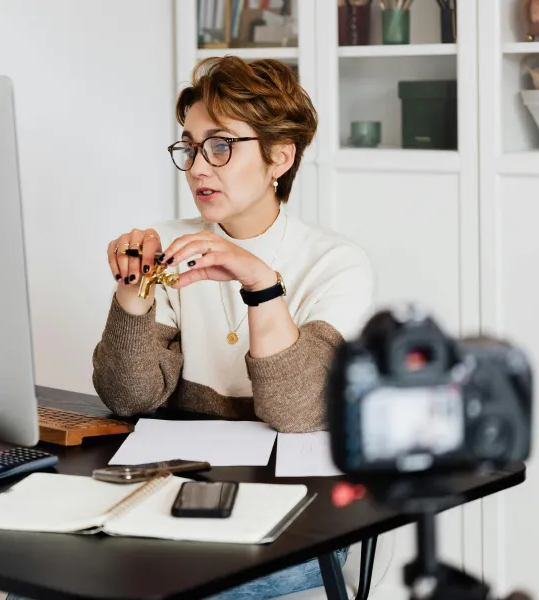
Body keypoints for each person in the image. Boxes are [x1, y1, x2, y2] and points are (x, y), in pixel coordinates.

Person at [88, 56, 374, 599]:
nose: (198, 167)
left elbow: (299, 413)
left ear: (279, 157)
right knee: (42, 581)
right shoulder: (169, 246)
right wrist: (131, 296)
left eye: (220, 145)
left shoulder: (336, 263)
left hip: (304, 518)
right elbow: (129, 396)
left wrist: (260, 284)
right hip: (180, 500)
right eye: (190, 147)